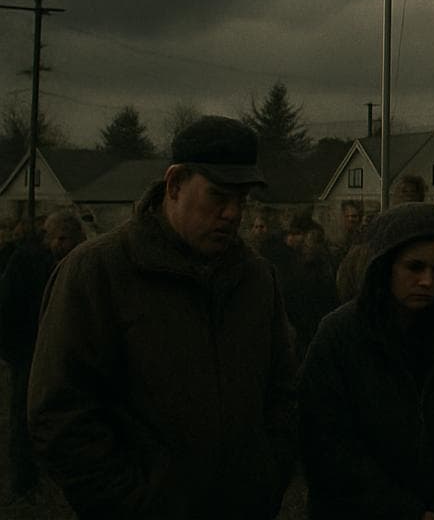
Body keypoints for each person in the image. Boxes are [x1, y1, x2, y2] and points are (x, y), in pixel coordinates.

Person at [28, 115, 298, 519]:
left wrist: (266, 479)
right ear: (174, 184)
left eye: (241, 200)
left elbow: (283, 393)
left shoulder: (256, 279)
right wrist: (136, 504)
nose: (232, 213)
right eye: (218, 196)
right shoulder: (97, 272)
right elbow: (60, 414)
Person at [299, 202, 434, 519]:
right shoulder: (340, 336)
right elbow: (327, 440)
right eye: (414, 267)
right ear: (385, 266)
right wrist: (403, 512)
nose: (427, 281)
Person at [0, 210, 84, 501]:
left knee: (61, 415)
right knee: (24, 417)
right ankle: (23, 483)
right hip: (29, 352)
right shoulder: (26, 262)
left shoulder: (70, 265)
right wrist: (18, 353)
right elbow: (7, 310)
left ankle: (53, 475)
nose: (67, 246)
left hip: (63, 353)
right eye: (65, 240)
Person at [282, 218, 339, 362]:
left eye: (314, 242)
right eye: (308, 242)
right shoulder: (294, 268)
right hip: (303, 329)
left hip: (317, 327)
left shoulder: (326, 267)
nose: (310, 246)